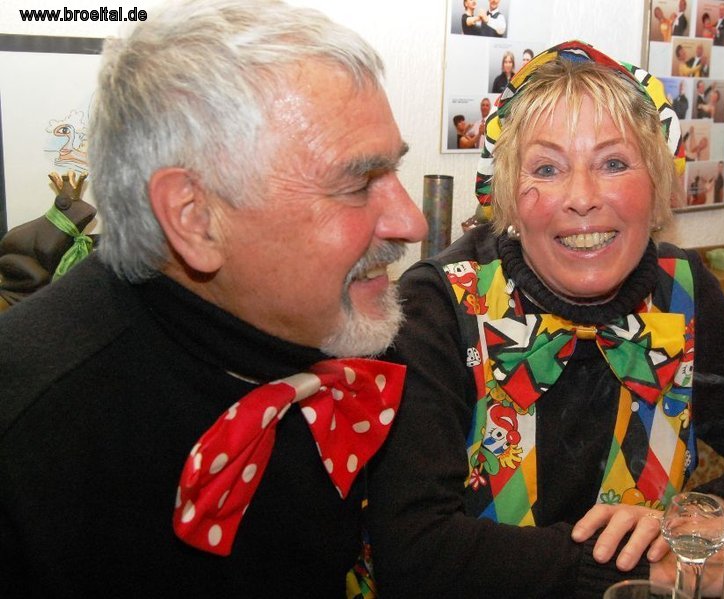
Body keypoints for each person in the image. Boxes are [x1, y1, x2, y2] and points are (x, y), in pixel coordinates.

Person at [366, 41, 724, 596]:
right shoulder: (438, 304)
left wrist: (698, 522)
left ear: (658, 183)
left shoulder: (683, 291)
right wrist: (643, 569)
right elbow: (412, 550)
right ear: (507, 195)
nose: (583, 198)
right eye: (547, 168)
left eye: (614, 163)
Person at [0, 0, 428, 595]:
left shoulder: (357, 345)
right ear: (195, 219)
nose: (412, 222)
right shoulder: (26, 436)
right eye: (358, 184)